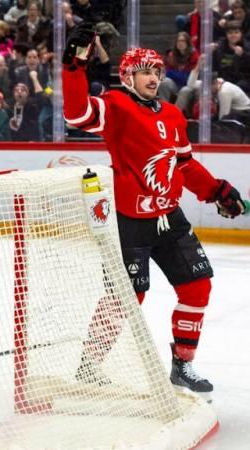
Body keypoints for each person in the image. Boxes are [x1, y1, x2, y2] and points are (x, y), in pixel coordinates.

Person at [61, 23, 247, 396]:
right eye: (145, 70)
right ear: (128, 76)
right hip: (130, 222)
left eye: (157, 71)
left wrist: (216, 191)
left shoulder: (173, 116)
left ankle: (183, 364)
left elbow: (185, 166)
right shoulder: (116, 105)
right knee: (127, 298)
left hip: (169, 218)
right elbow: (77, 114)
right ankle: (89, 364)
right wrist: (74, 67)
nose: (153, 77)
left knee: (197, 287)